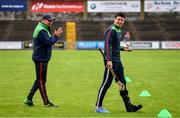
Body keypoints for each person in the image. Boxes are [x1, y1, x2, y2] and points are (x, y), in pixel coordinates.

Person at [95, 12, 142, 113]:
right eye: (118, 19)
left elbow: (115, 46)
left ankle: (129, 107)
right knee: (106, 83)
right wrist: (108, 60)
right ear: (114, 20)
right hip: (111, 61)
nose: (120, 21)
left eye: (122, 20)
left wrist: (124, 49)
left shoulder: (118, 30)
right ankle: (98, 107)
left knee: (123, 83)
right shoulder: (111, 30)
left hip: (117, 61)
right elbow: (107, 45)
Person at [24, 14, 63, 107]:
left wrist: (53, 35)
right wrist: (56, 36)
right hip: (41, 59)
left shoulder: (43, 28)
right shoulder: (41, 30)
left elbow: (48, 40)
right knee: (41, 81)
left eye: (52, 21)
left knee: (39, 80)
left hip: (41, 58)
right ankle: (46, 102)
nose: (51, 22)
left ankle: (28, 99)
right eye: (49, 21)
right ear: (43, 20)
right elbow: (49, 42)